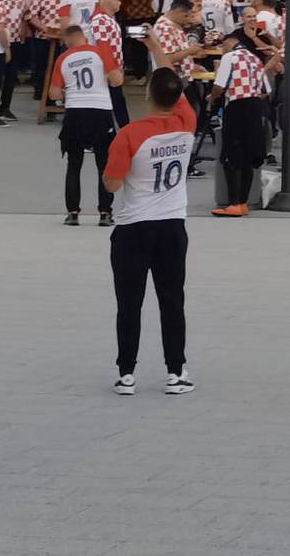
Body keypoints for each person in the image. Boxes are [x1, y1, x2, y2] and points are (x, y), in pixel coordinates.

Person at [101, 68, 197, 395]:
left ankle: (126, 374)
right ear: (177, 97)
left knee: (129, 303)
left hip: (134, 227)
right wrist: (155, 45)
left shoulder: (129, 134)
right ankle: (176, 371)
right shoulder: (187, 125)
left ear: (147, 95)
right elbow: (176, 91)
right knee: (172, 300)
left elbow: (112, 184)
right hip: (172, 225)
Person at [49, 22, 123, 227]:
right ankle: (105, 213)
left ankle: (72, 213)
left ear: (67, 40)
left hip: (75, 112)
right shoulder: (101, 52)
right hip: (100, 111)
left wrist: (68, 93)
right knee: (104, 164)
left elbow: (53, 93)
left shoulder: (63, 59)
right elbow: (116, 80)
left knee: (74, 163)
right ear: (84, 36)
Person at [209, 25, 268, 218]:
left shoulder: (230, 57)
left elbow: (219, 86)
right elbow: (266, 89)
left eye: (223, 46)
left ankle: (233, 203)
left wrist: (211, 100)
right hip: (255, 106)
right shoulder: (255, 58)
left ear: (229, 42)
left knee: (231, 155)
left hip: (237, 107)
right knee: (249, 156)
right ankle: (243, 202)